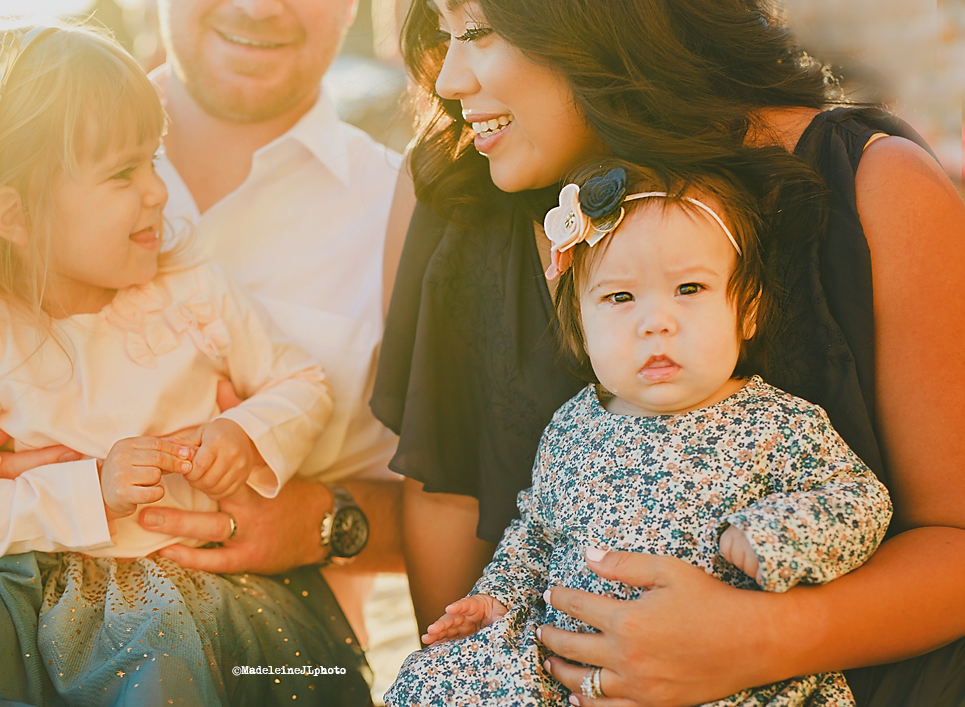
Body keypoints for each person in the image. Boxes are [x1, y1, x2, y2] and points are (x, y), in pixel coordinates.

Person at [370, 0, 965, 703]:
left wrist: (759, 638)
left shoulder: (877, 187)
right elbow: (447, 505)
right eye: (442, 34)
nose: (448, 79)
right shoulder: (450, 194)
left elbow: (953, 539)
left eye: (476, 32)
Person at [0, 23, 370, 706]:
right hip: (41, 583)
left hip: (197, 586)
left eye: (153, 160)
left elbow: (299, 382)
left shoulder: (190, 286)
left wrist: (246, 433)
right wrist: (93, 485)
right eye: (124, 173)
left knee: (163, 669)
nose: (157, 192)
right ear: (14, 214)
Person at [384, 166, 893, 706]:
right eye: (620, 297)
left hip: (725, 676)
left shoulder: (779, 423)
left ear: (747, 310)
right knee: (443, 678)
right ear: (580, 324)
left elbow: (860, 499)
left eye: (689, 288)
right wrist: (497, 598)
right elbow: (535, 533)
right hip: (573, 674)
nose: (655, 321)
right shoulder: (574, 425)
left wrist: (775, 537)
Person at [0, 0, 414, 648]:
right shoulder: (10, 161)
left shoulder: (404, 211)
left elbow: (478, 515)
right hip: (19, 613)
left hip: (270, 660)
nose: (259, 7)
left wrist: (320, 521)